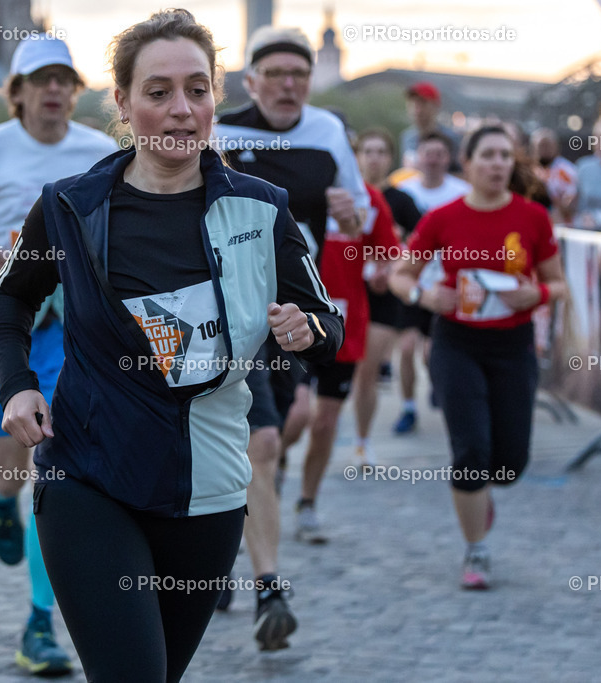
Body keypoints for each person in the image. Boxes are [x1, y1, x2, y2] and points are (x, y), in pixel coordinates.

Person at [0, 10, 344, 680]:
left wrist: (309, 331)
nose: (182, 109)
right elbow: (9, 298)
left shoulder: (262, 208)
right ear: (123, 102)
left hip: (208, 493)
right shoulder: (69, 207)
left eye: (197, 90)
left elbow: (327, 324)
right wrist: (18, 384)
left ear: (214, 98)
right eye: (158, 92)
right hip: (88, 479)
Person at [0, 35, 117, 676]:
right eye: (41, 80)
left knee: (51, 467)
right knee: (13, 469)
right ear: (18, 92)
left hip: (72, 321)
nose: (55, 90)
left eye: (64, 79)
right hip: (3, 317)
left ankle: (40, 623)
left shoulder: (97, 151)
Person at [211, 24, 368, 645]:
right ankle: (268, 586)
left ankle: (238, 531)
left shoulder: (328, 131)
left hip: (298, 310)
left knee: (278, 433)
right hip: (232, 312)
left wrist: (353, 216)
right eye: (274, 74)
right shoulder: (221, 133)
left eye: (299, 74)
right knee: (264, 440)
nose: (287, 85)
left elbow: (356, 212)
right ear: (251, 81)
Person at [389, 125, 567, 589]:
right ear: (466, 164)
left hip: (513, 346)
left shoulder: (532, 217)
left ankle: (482, 494)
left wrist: (536, 294)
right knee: (470, 451)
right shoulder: (442, 218)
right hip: (456, 344)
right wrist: (427, 296)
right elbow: (400, 277)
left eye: (505, 155)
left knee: (509, 463)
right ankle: (476, 550)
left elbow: (558, 283)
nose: (498, 163)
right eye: (487, 155)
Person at [298, 182, 400, 519]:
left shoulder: (368, 198)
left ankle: (307, 502)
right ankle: (273, 467)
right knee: (296, 415)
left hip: (342, 324)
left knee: (325, 422)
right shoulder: (293, 185)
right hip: (290, 318)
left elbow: (389, 254)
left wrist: (384, 271)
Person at [351, 129, 422, 465]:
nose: (374, 158)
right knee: (339, 373)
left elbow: (423, 245)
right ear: (357, 156)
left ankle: (362, 442)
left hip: (383, 297)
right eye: (368, 151)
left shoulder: (402, 201)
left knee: (366, 371)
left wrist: (394, 264)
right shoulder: (345, 195)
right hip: (344, 291)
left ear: (390, 158)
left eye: (381, 152)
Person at [392, 131, 471, 434]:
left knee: (432, 352)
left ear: (448, 158)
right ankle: (408, 408)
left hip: (447, 284)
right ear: (418, 157)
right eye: (428, 153)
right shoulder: (403, 191)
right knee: (406, 348)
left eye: (439, 153)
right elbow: (391, 233)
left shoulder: (462, 192)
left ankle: (439, 387)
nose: (433, 159)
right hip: (413, 279)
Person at [399, 82, 461, 172]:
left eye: (423, 103)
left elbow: (459, 173)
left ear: (436, 106)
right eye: (413, 104)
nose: (417, 110)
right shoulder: (407, 137)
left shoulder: (451, 138)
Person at [530, 128, 578, 224]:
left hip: (560, 223)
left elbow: (570, 204)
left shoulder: (567, 170)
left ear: (556, 146)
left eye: (547, 145)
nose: (544, 149)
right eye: (541, 145)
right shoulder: (529, 171)